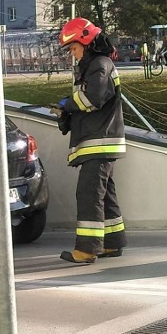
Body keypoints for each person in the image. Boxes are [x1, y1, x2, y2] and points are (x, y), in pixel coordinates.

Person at [52, 17, 127, 264]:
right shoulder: (96, 65)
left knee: (89, 194)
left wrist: (68, 105)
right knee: (105, 194)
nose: (72, 54)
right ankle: (112, 242)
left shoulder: (99, 65)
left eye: (73, 48)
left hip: (100, 140)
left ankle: (87, 249)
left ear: (85, 41)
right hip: (100, 139)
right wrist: (67, 111)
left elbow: (91, 100)